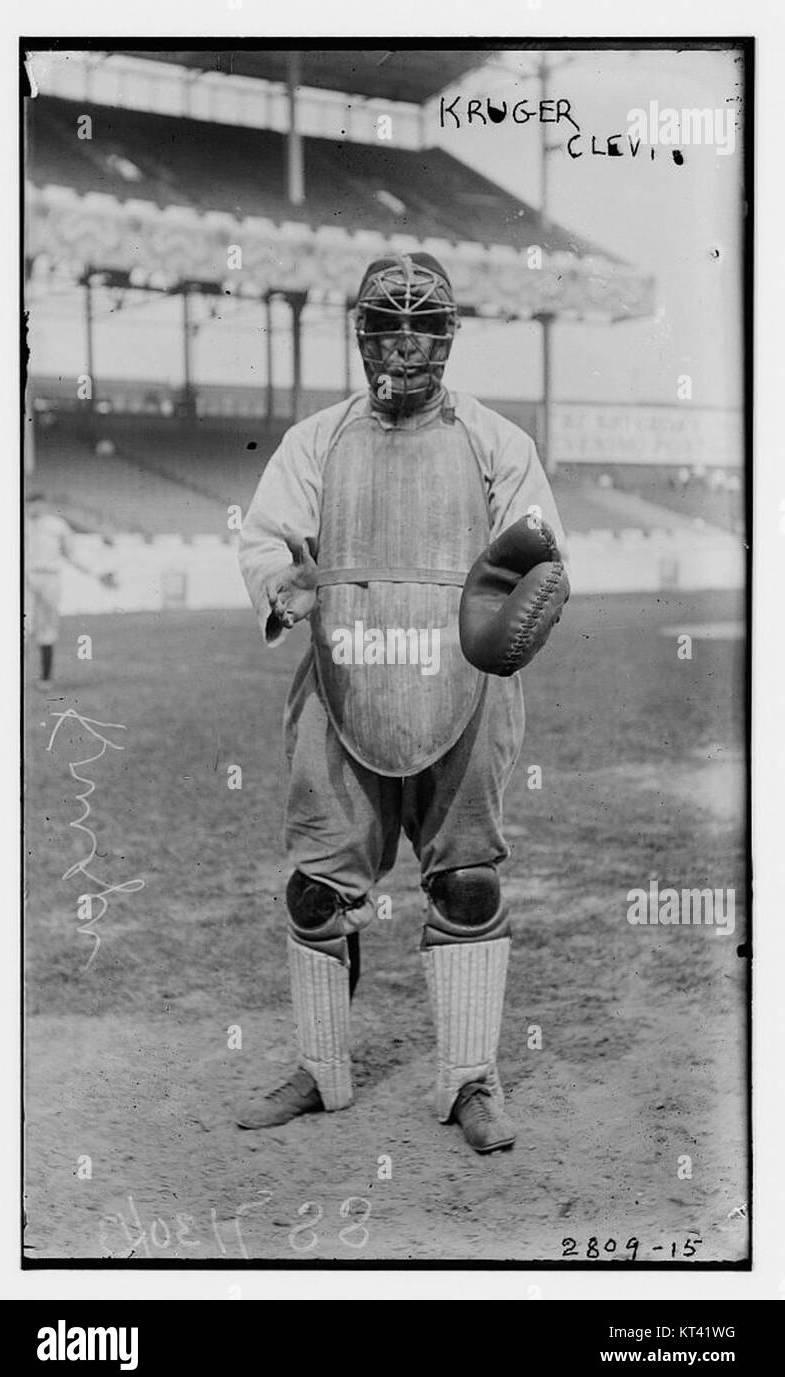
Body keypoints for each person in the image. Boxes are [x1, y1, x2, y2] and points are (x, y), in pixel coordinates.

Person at [237, 252, 568, 1153]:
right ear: (361, 333)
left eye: (424, 324)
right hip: (343, 674)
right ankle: (320, 1069)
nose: (405, 342)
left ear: (449, 337)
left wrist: (532, 599)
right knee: (315, 891)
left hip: (463, 686)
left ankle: (470, 1082)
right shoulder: (317, 441)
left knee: (465, 881)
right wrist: (284, 585)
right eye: (387, 323)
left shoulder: (498, 442)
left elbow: (537, 555)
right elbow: (268, 539)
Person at [25, 492, 114, 686]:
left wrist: (97, 572)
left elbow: (72, 554)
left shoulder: (56, 526)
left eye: (36, 504)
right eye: (30, 504)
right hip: (24, 578)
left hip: (50, 578)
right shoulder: (18, 522)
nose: (33, 509)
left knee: (46, 627)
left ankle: (45, 678)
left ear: (45, 504)